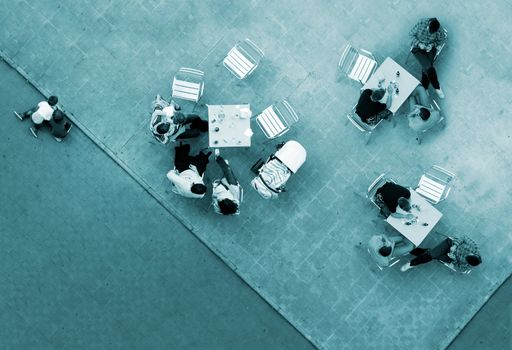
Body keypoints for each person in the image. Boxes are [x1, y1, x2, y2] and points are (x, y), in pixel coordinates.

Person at [409, 17, 447, 99]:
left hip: (430, 49)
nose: (430, 34)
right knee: (428, 67)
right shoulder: (421, 22)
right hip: (418, 48)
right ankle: (437, 87)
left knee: (426, 67)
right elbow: (411, 34)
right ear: (429, 23)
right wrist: (419, 44)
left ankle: (424, 87)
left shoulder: (439, 30)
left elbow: (441, 41)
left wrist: (432, 45)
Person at [401, 235, 481, 273]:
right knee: (430, 256)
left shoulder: (467, 265)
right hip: (450, 243)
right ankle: (411, 264)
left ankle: (412, 251)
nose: (468, 253)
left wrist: (453, 259)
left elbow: (458, 265)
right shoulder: (474, 247)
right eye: (469, 254)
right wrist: (455, 245)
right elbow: (463, 237)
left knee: (431, 253)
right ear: (474, 254)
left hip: (450, 257)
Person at [211, 149, 241, 215]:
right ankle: (222, 163)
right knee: (228, 171)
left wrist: (217, 191)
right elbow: (235, 194)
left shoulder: (217, 205)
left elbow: (213, 196)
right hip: (232, 189)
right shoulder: (235, 204)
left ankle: (221, 161)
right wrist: (227, 184)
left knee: (226, 174)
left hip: (221, 189)